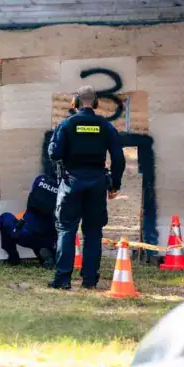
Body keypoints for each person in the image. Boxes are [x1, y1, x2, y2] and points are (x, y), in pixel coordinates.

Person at [48, 85, 125, 289]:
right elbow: (118, 157)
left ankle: (62, 279)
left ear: (75, 102)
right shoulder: (106, 126)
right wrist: (114, 184)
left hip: (71, 183)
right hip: (97, 184)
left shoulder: (66, 125)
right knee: (93, 232)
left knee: (66, 229)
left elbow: (54, 153)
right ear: (96, 103)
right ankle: (90, 280)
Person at [0, 174, 59, 268]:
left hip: (26, 233)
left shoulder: (40, 180)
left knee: (5, 217)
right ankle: (45, 251)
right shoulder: (66, 188)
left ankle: (13, 258)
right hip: (49, 239)